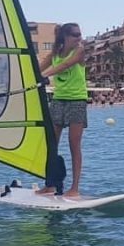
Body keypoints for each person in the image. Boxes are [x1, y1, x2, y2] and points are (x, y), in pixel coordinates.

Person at [36, 22, 87, 197]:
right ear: (65, 36)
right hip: (58, 100)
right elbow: (37, 70)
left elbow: (65, 66)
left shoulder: (79, 51)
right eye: (75, 35)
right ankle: (51, 185)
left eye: (79, 34)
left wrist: (45, 75)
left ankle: (74, 188)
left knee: (74, 144)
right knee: (51, 145)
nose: (79, 38)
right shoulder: (55, 54)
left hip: (77, 101)